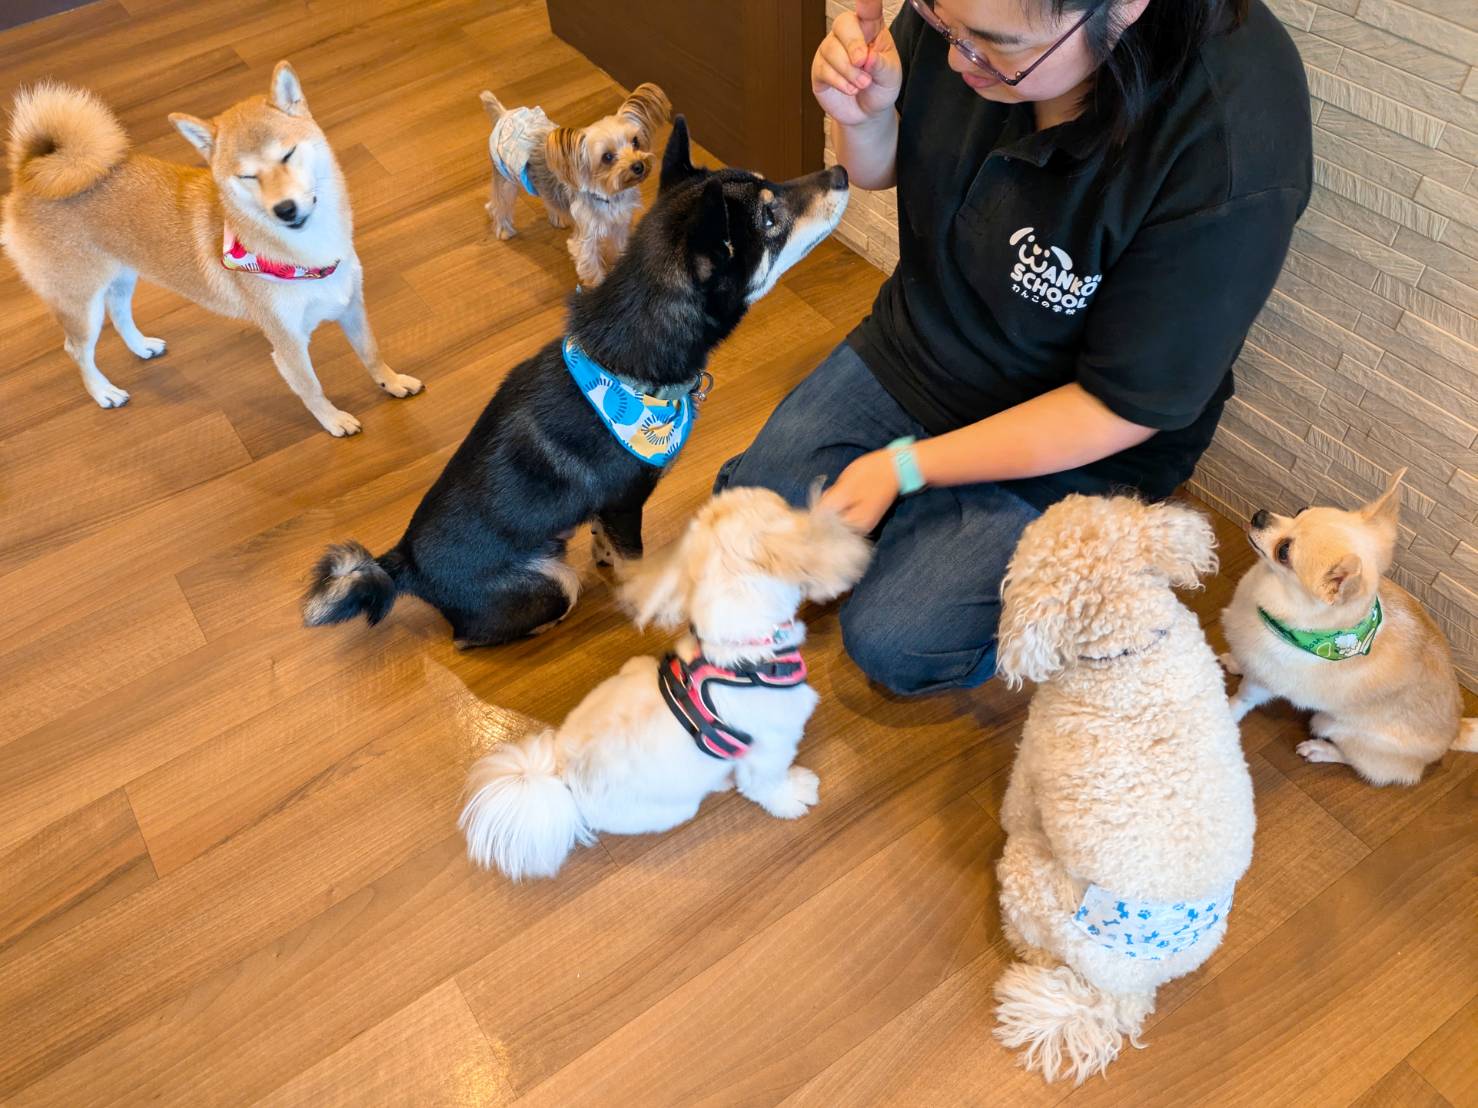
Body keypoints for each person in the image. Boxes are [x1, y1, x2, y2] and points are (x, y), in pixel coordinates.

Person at [714, 0, 1312, 695]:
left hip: (1082, 432)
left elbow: (1122, 406)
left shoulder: (1230, 141)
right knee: (746, 511)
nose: (955, 60)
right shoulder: (972, 17)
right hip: (928, 341)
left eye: (994, 47)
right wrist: (862, 116)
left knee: (896, 642)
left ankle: (1033, 547)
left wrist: (903, 469)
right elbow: (882, 166)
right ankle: (918, 523)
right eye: (942, 26)